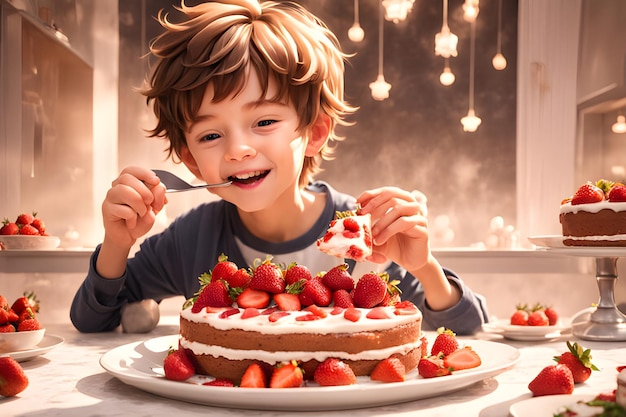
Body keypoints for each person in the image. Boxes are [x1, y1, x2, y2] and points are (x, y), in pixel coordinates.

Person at [70, 0, 488, 335]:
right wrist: (116, 244)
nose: (238, 150)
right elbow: (93, 322)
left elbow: (469, 326)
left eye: (264, 122)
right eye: (211, 135)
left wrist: (424, 266)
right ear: (192, 160)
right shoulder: (189, 239)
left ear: (315, 132)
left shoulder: (363, 231)